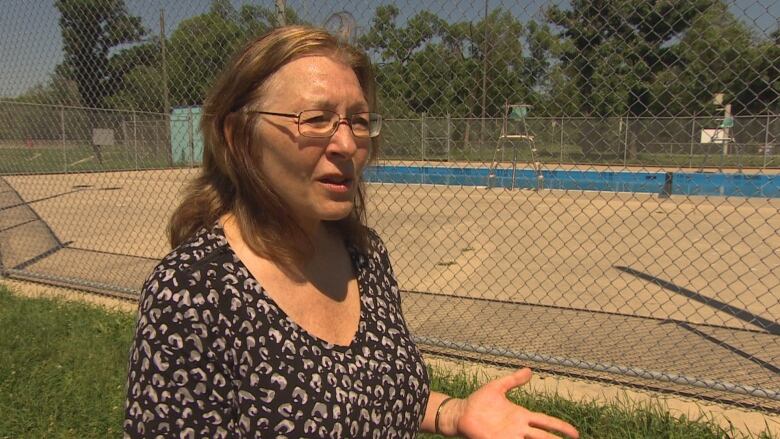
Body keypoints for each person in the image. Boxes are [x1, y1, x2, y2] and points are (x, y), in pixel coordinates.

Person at [124, 25, 579, 439]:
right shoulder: (189, 293)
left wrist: (452, 413)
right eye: (316, 119)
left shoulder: (364, 254)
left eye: (358, 121)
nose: (346, 144)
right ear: (237, 136)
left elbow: (371, 394)